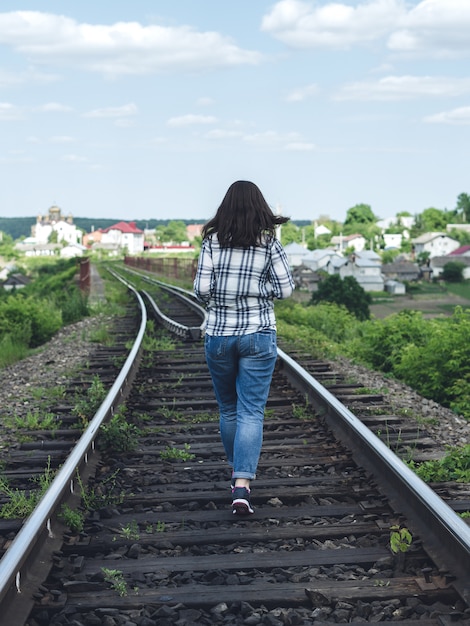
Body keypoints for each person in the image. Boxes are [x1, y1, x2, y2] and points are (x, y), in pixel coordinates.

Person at [193, 180, 295, 515]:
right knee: (252, 411)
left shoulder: (211, 242)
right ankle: (242, 485)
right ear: (259, 208)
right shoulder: (269, 244)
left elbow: (201, 289)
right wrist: (256, 290)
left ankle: (236, 472)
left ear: (225, 208)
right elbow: (285, 290)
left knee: (229, 409)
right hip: (258, 334)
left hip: (220, 335)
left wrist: (227, 293)